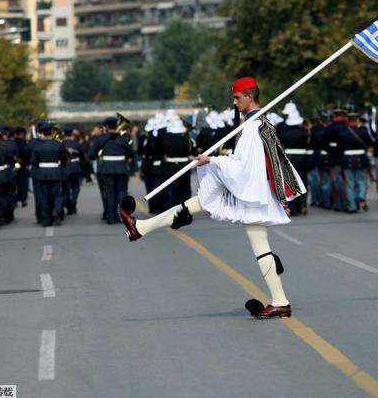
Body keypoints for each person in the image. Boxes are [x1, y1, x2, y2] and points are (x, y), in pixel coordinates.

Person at [119, 77, 306, 319]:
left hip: (253, 193)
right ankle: (140, 227)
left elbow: (251, 165)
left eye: (238, 98)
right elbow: (275, 161)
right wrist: (281, 196)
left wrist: (214, 160)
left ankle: (280, 301)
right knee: (204, 202)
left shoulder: (255, 126)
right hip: (254, 191)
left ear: (250, 97)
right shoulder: (258, 124)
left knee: (260, 246)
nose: (234, 102)